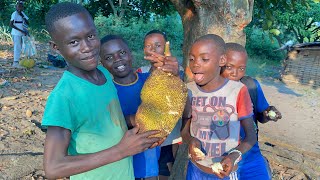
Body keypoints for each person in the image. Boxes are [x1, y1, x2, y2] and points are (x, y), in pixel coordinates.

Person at [41, 3, 161, 179]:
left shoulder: (103, 74)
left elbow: (106, 116)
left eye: (90, 36)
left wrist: (133, 120)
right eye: (74, 42)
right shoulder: (64, 96)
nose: (87, 47)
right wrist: (121, 150)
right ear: (56, 48)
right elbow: (53, 167)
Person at [100, 34, 179, 180]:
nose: (117, 59)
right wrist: (135, 119)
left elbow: (170, 107)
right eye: (109, 57)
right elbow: (103, 124)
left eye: (122, 53)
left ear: (130, 53)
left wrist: (173, 76)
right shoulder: (105, 91)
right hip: (121, 166)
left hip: (149, 163)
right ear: (102, 63)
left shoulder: (150, 81)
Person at [181, 34, 257, 180]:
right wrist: (190, 140)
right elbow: (184, 129)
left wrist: (234, 155)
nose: (195, 64)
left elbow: (251, 136)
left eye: (204, 59)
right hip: (196, 169)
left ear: (222, 60)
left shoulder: (238, 90)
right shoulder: (188, 90)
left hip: (226, 173)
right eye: (192, 58)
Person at [221, 42, 282, 179]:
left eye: (241, 68)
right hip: (225, 159)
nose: (235, 73)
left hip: (251, 156)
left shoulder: (250, 86)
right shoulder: (209, 92)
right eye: (229, 67)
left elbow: (260, 116)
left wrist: (268, 114)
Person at [138, 30, 182, 180]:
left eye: (158, 45)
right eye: (148, 46)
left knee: (165, 172)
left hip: (170, 137)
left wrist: (174, 74)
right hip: (148, 135)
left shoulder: (177, 72)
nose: (153, 49)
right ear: (144, 49)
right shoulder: (139, 73)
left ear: (165, 47)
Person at [10, 1, 29, 67]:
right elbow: (11, 24)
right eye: (18, 7)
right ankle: (15, 62)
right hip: (16, 33)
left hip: (22, 33)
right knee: (17, 46)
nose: (20, 8)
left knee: (23, 47)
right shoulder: (14, 14)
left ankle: (22, 60)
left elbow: (27, 22)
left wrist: (23, 16)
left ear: (23, 8)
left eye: (21, 7)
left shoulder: (23, 14)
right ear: (16, 7)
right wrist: (21, 30)